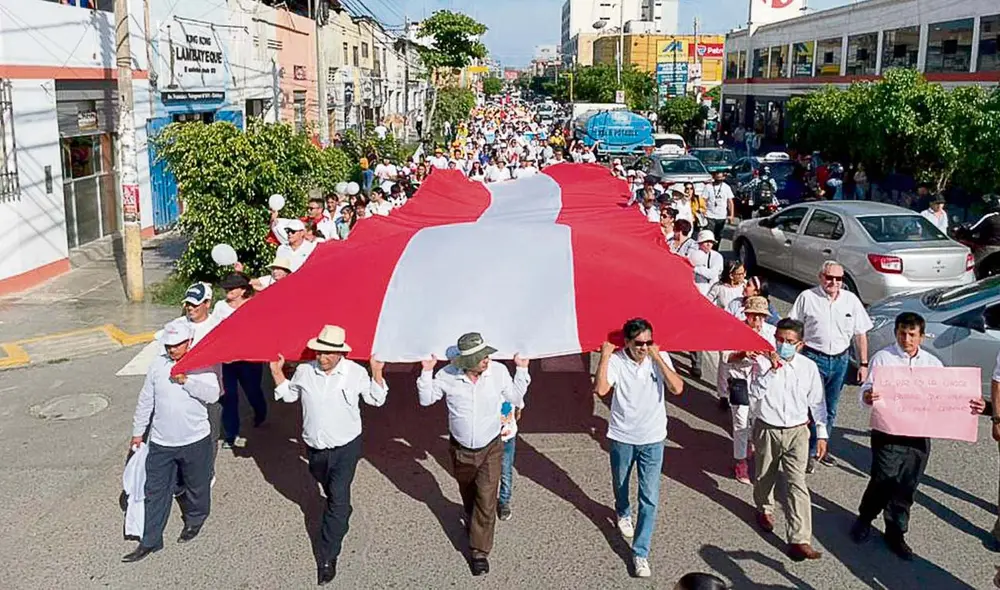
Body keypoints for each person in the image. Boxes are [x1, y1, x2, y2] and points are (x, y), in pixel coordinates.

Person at [852, 312, 985, 560]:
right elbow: (866, 390)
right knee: (882, 480)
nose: (906, 339)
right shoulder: (883, 359)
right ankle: (865, 518)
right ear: (896, 333)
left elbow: (949, 397)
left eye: (912, 334)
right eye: (902, 333)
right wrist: (868, 397)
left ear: (921, 337)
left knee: (907, 485)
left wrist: (975, 406)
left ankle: (895, 531)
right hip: (888, 432)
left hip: (919, 436)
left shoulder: (933, 364)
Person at [269, 326, 387, 585]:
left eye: (327, 353)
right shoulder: (304, 371)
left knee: (338, 497)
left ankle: (327, 556)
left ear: (339, 353)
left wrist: (376, 371)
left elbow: (376, 400)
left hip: (346, 448)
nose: (321, 357)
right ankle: (340, 508)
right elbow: (289, 396)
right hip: (315, 449)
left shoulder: (355, 373)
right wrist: (277, 373)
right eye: (319, 351)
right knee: (331, 491)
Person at [417, 333, 531, 576]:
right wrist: (426, 372)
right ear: (466, 361)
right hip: (460, 449)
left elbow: (515, 397)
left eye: (487, 355)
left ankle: (479, 551)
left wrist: (522, 371)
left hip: (491, 447)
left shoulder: (498, 372)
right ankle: (470, 514)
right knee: (469, 491)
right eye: (481, 357)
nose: (486, 360)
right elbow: (427, 400)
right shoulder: (447, 375)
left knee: (487, 499)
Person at [123, 318, 221, 563]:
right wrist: (138, 432)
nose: (171, 349)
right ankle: (150, 540)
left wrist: (187, 381)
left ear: (189, 342)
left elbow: (213, 394)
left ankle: (195, 520)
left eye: (177, 345)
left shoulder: (202, 363)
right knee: (154, 490)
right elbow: (146, 400)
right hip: (161, 442)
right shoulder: (158, 365)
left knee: (196, 485)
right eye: (168, 345)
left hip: (195, 439)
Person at [594, 318, 683, 579]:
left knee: (649, 497)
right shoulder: (618, 360)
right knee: (620, 483)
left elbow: (677, 388)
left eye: (648, 342)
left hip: (654, 439)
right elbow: (601, 389)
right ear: (628, 343)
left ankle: (640, 553)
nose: (644, 347)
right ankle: (622, 510)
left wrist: (658, 358)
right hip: (622, 436)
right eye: (639, 344)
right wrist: (605, 357)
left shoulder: (659, 356)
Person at [749, 318, 828, 561]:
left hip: (797, 432)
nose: (783, 345)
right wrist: (772, 370)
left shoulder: (808, 368)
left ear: (800, 344)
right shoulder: (761, 363)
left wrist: (822, 434)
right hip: (768, 428)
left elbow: (817, 402)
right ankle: (764, 507)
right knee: (764, 476)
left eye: (789, 342)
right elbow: (754, 395)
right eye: (780, 340)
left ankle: (800, 539)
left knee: (797, 484)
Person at [789, 260, 872, 472]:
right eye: (829, 277)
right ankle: (804, 452)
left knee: (831, 408)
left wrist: (863, 364)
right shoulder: (807, 298)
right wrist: (790, 359)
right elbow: (793, 328)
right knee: (810, 407)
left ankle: (821, 447)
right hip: (812, 358)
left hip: (840, 360)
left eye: (838, 278)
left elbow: (860, 334)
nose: (833, 282)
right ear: (820, 277)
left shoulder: (851, 301)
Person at [721, 297, 776, 484]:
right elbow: (726, 358)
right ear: (747, 314)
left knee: (758, 419)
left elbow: (777, 353)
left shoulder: (771, 332)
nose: (759, 321)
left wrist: (771, 355)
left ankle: (749, 445)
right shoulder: (735, 330)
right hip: (739, 380)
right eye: (755, 316)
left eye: (762, 317)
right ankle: (740, 462)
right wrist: (744, 353)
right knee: (740, 422)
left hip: (761, 381)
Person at [212, 273, 267, 449]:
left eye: (232, 288)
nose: (227, 290)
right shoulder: (220, 306)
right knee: (229, 396)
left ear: (243, 290)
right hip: (226, 360)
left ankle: (260, 411)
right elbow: (213, 329)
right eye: (226, 287)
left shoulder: (255, 304)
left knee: (252, 391)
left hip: (249, 358)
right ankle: (231, 434)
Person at [497, 398, 522, 522]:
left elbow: (518, 408)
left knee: (506, 472)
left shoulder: (510, 390)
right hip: (488, 440)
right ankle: (485, 501)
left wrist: (518, 408)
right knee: (484, 472)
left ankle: (504, 501)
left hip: (507, 438)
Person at [701, 171, 735, 250]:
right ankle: (708, 250)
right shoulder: (708, 187)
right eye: (717, 178)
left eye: (721, 179)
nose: (719, 180)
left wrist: (731, 215)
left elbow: (730, 202)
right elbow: (703, 200)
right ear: (714, 177)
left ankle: (715, 251)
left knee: (718, 236)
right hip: (710, 216)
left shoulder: (726, 187)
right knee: (709, 235)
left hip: (721, 216)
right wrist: (703, 211)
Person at [687, 230, 724, 297]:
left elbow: (712, 274)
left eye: (711, 242)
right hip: (694, 289)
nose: (709, 244)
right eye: (706, 242)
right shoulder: (692, 254)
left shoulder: (717, 256)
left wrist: (694, 268)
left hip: (710, 292)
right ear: (699, 243)